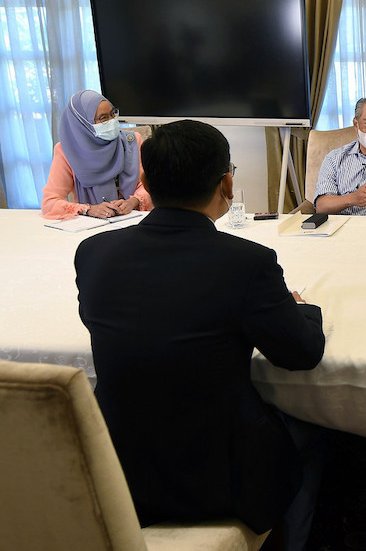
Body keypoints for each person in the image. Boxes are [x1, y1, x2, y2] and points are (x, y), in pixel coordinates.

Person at [75, 120, 326, 548]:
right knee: (314, 429)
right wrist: (302, 309)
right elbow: (301, 354)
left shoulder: (94, 252)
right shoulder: (247, 263)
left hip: (116, 469)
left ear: (145, 182)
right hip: (219, 478)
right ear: (227, 183)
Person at [42, 89, 151, 219]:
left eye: (113, 114)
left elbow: (151, 186)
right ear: (84, 123)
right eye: (103, 118)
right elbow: (49, 203)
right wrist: (89, 209)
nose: (112, 121)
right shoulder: (66, 151)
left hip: (133, 220)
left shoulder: (131, 142)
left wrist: (133, 202)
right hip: (92, 224)